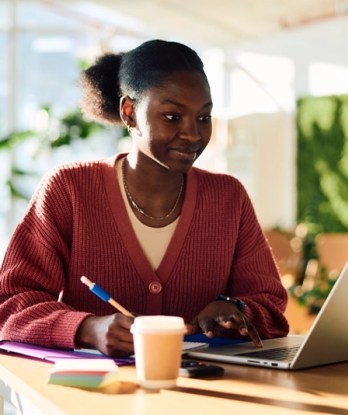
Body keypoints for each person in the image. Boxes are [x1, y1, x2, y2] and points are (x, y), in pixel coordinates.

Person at [0, 39, 289, 357]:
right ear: (130, 112)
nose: (193, 134)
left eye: (203, 118)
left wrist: (234, 310)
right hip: (97, 397)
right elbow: (11, 303)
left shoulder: (228, 198)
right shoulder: (68, 189)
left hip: (205, 393)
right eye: (172, 117)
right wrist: (87, 329)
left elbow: (270, 305)